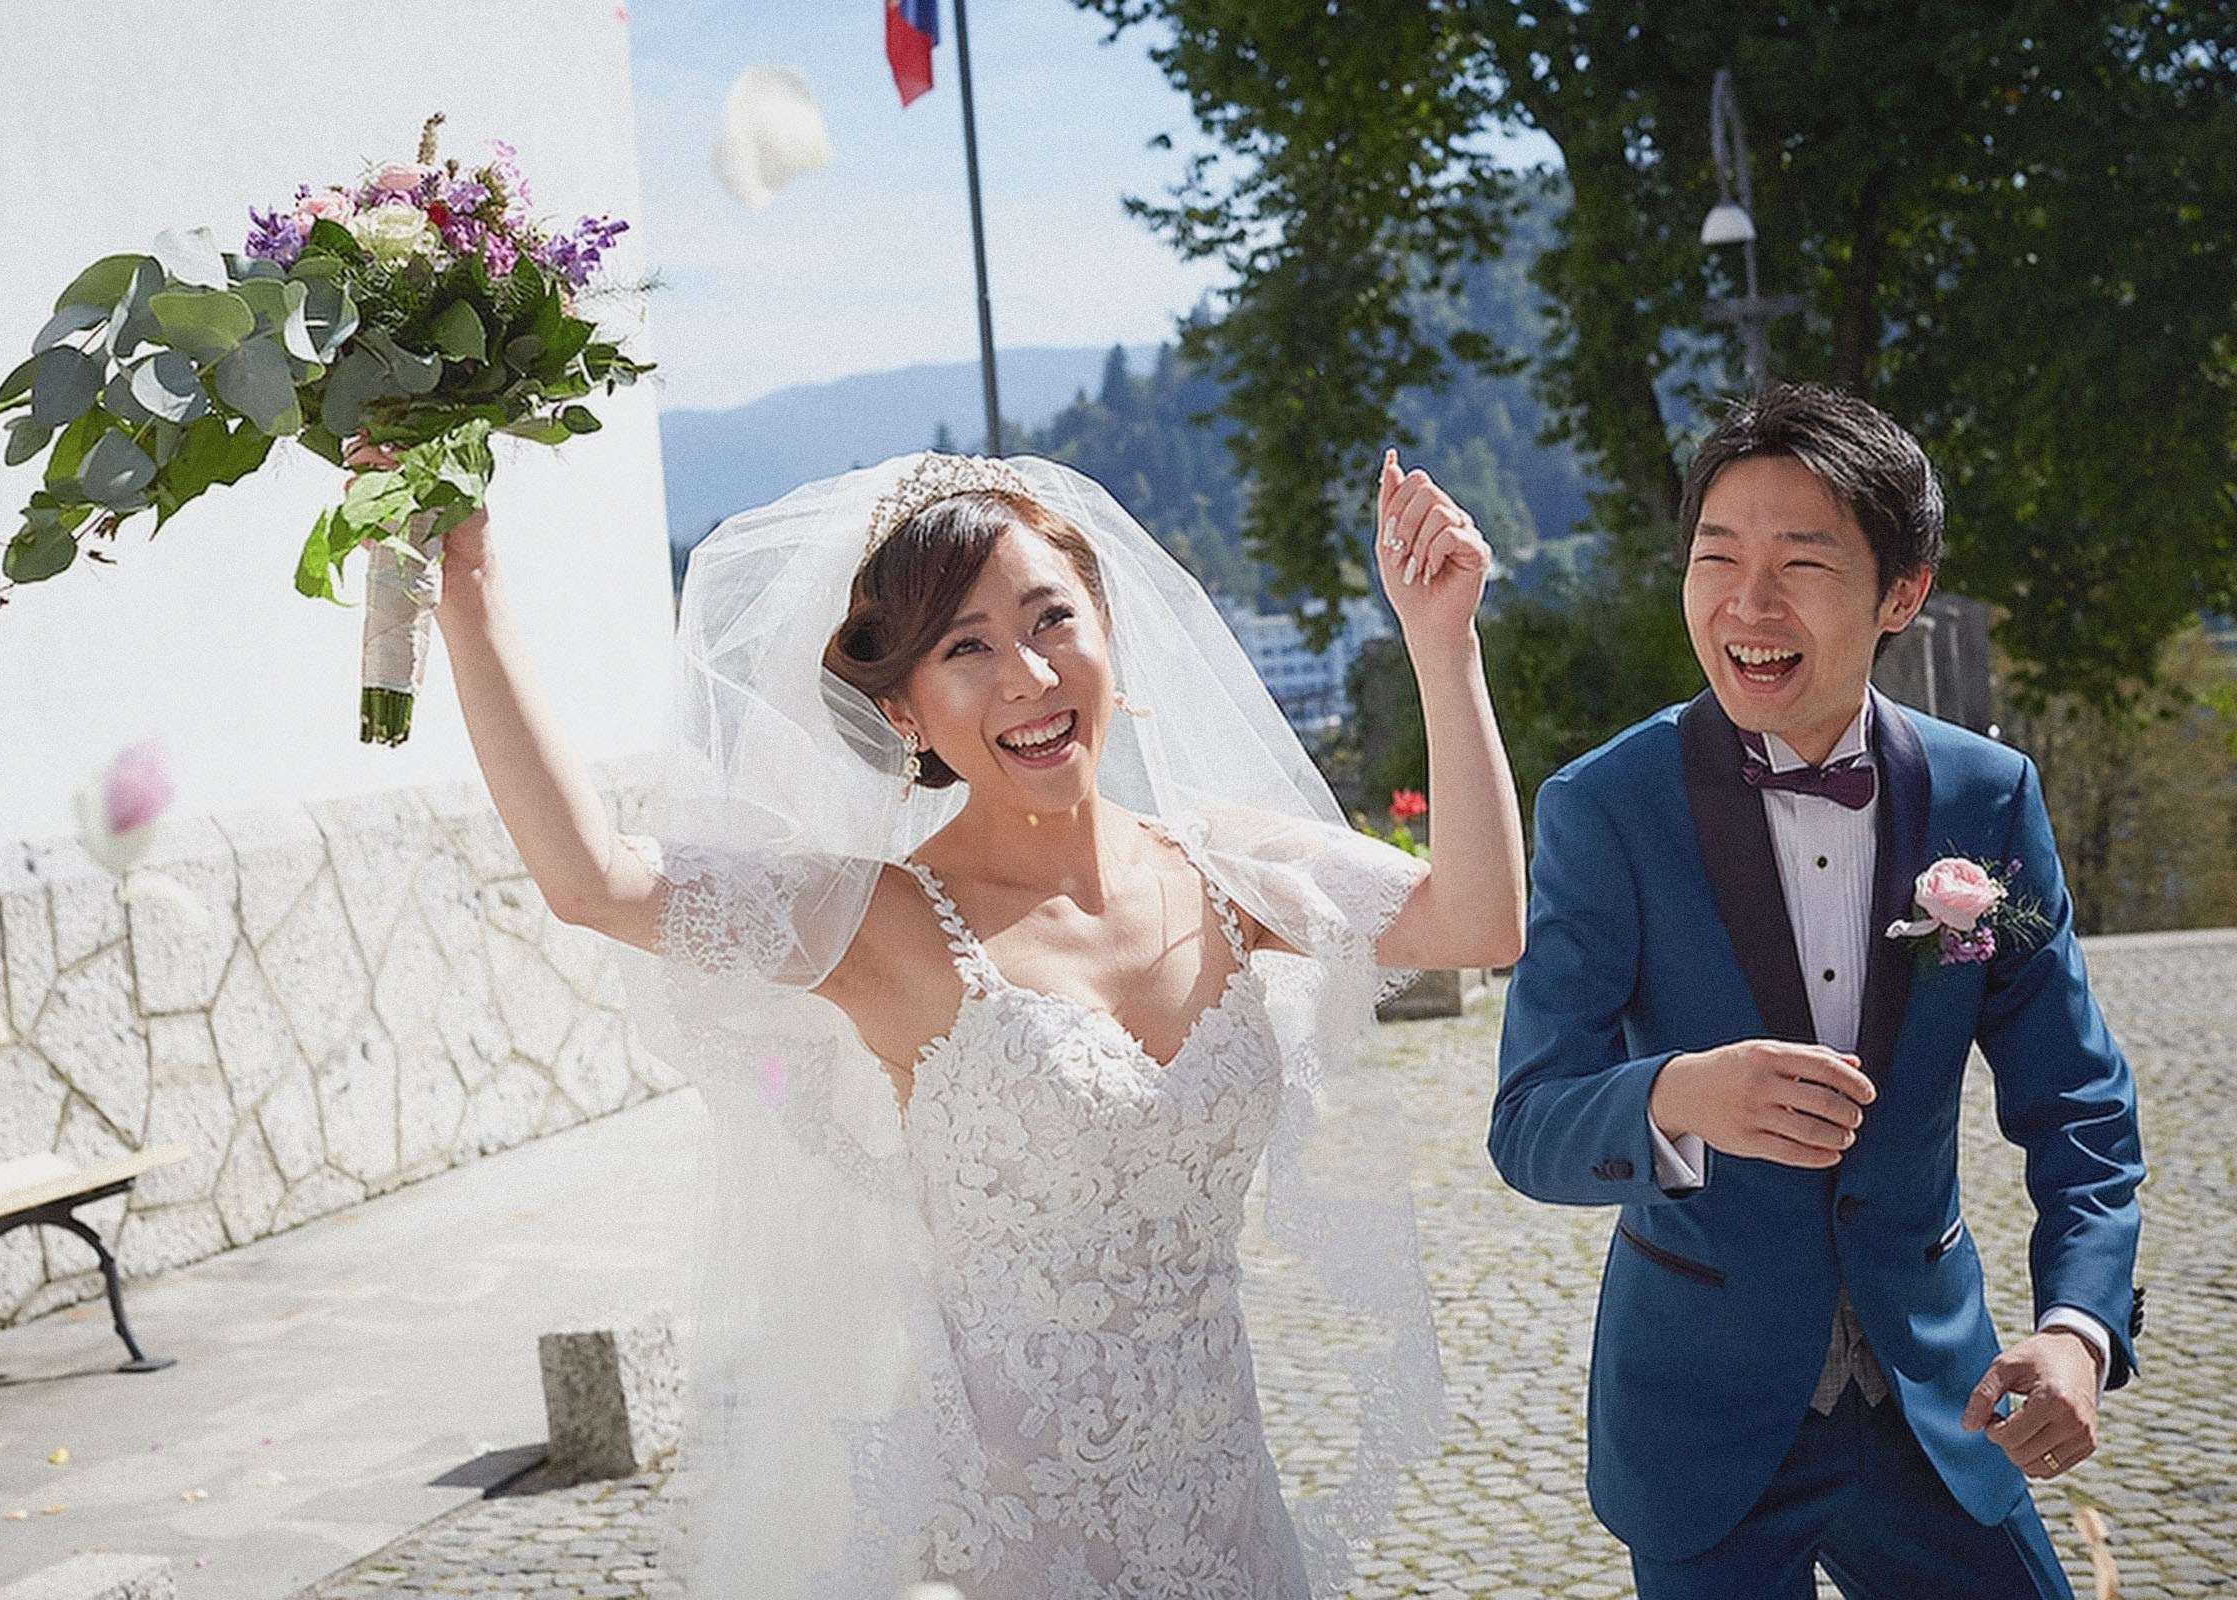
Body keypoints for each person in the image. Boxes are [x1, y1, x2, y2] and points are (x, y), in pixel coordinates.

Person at [423, 447, 1524, 1598]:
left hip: (1229, 1515)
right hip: (1017, 1546)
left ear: (1107, 625)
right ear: (903, 710)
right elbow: (594, 878)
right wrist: (470, 586)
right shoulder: (885, 925)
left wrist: (1446, 646)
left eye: (1053, 619)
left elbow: (1481, 918)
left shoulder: (1233, 871)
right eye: (967, 648)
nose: (1029, 677)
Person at [1489, 383, 2145, 1598]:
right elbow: (1528, 1119)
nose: (1749, 603)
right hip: (1703, 1422)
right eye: (1717, 558)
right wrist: (1680, 1094)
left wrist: (2077, 1329)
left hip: (1942, 1410)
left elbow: (2082, 1108)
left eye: (1802, 562)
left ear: (1904, 591)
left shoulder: (1987, 797)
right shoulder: (1601, 808)